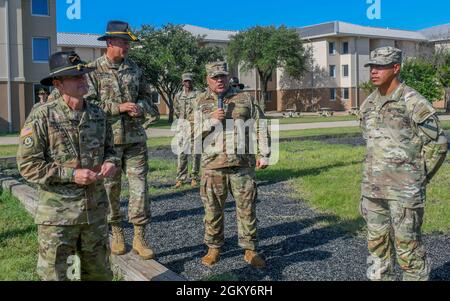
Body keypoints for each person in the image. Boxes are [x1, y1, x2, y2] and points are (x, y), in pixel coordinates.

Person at [17, 51, 119, 281]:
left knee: (100, 275)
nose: (83, 79)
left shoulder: (98, 114)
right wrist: (71, 175)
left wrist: (111, 162)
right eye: (75, 76)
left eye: (83, 74)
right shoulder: (42, 116)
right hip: (59, 218)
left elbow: (111, 150)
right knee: (56, 276)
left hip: (95, 213)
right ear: (58, 84)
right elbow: (28, 165)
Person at [359, 46, 448, 281]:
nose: (374, 71)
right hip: (373, 191)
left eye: (381, 66)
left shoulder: (413, 102)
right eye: (372, 67)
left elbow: (438, 144)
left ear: (395, 68)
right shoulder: (368, 104)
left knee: (409, 252)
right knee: (376, 250)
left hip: (405, 193)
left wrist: (418, 177)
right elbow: (369, 142)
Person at [86, 20, 160, 260]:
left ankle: (140, 236)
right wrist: (116, 107)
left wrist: (140, 106)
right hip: (108, 142)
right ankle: (116, 231)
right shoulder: (92, 70)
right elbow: (89, 104)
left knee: (140, 188)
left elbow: (148, 98)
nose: (127, 46)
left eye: (129, 43)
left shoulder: (135, 69)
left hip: (135, 139)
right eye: (123, 42)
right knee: (110, 188)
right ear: (109, 42)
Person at [193, 61, 271, 268]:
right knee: (212, 210)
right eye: (215, 77)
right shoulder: (199, 102)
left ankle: (250, 249)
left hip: (242, 164)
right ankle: (214, 247)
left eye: (223, 76)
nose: (220, 80)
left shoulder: (245, 98)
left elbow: (261, 125)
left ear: (228, 77)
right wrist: (210, 121)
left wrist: (265, 153)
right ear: (206, 79)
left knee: (247, 208)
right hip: (213, 166)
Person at [173, 73, 201, 188]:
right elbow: (176, 110)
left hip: (195, 128)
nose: (187, 83)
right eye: (185, 81)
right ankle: (181, 178)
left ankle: (194, 177)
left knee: (195, 154)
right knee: (182, 153)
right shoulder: (178, 96)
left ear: (192, 81)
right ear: (182, 82)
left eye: (189, 81)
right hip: (182, 128)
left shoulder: (198, 95)